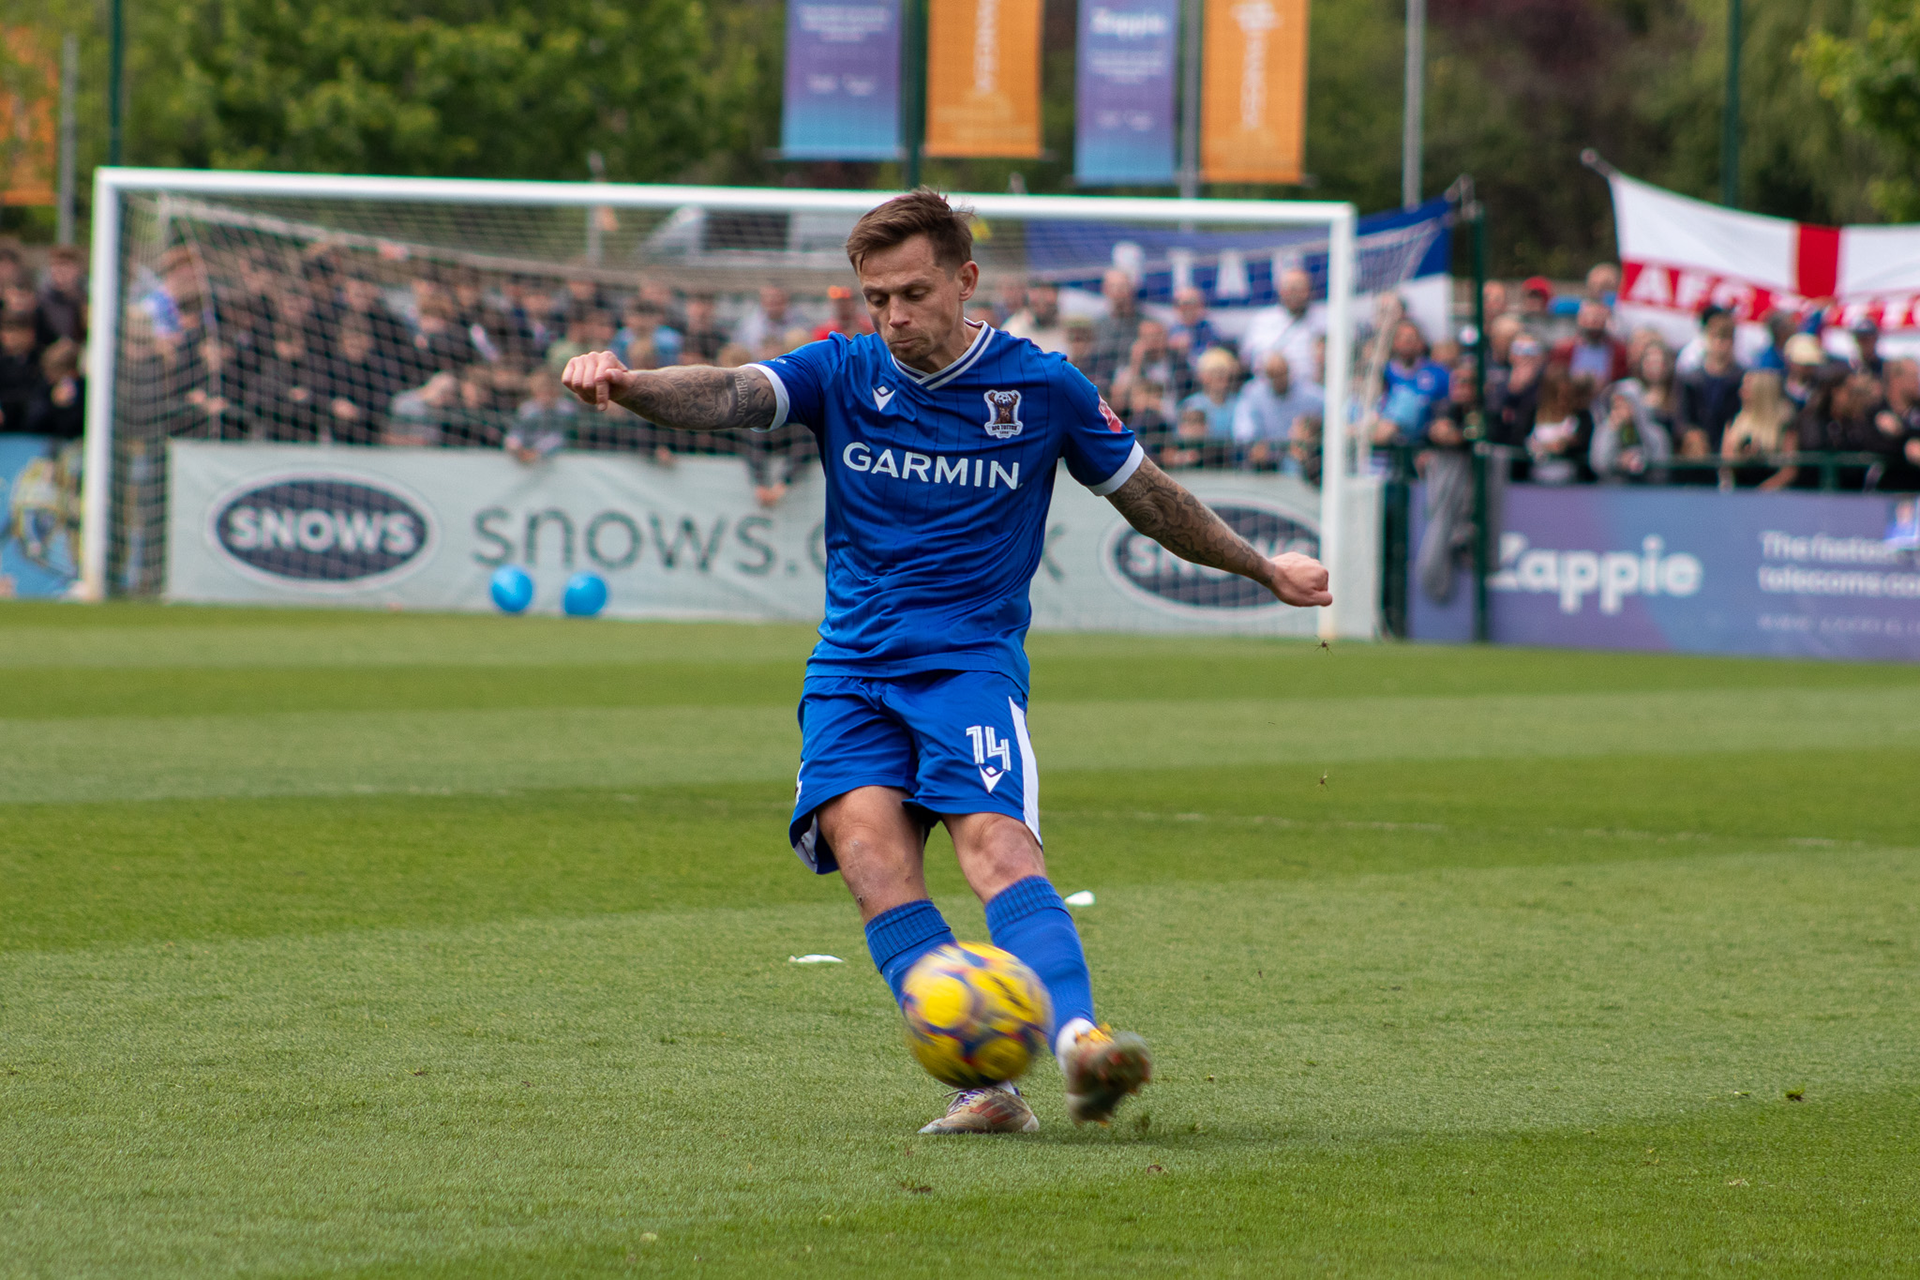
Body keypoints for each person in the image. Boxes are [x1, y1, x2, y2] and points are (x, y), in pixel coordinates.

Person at [559, 187, 1330, 1137]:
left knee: (996, 849)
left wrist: (1262, 566)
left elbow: (1151, 499)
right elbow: (734, 391)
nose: (892, 317)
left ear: (966, 281)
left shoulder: (1043, 388)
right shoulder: (843, 371)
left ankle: (1083, 1042)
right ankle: (986, 1089)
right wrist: (630, 384)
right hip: (849, 670)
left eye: (912, 294)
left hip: (967, 666)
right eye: (875, 298)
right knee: (870, 859)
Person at [1676, 307, 1744, 463]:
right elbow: (1682, 418)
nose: (1719, 344)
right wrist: (1691, 435)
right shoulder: (1690, 378)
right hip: (1698, 455)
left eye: (1725, 339)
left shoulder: (1741, 378)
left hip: (1732, 451)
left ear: (1732, 342)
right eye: (1715, 337)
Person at [1233, 352, 1323, 468]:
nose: (1278, 380)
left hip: (1302, 461)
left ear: (1289, 372)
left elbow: (1331, 414)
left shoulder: (1311, 395)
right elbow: (1243, 429)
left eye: (1281, 374)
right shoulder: (1253, 393)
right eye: (1273, 375)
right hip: (1266, 462)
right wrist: (1253, 444)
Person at [1239, 268, 1325, 389]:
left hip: (1312, 388)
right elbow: (1246, 361)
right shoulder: (1262, 320)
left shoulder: (1326, 320)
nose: (1295, 294)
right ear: (1281, 291)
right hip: (1268, 390)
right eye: (1290, 289)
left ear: (1310, 291)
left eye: (1300, 289)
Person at [1376, 319, 1449, 446]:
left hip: (1423, 440)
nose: (1406, 342)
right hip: (1386, 437)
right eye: (1401, 338)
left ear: (1421, 342)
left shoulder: (1438, 374)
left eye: (1410, 338)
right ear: (1393, 343)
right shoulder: (1383, 372)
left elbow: (1446, 409)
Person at [1718, 369, 1796, 489]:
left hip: (1774, 497)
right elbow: (1725, 467)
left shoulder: (1785, 424)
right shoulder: (1733, 423)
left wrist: (1762, 491)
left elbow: (1789, 471)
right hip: (1739, 493)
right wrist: (1741, 458)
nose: (1740, 392)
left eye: (1746, 389)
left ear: (1761, 392)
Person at [1524, 366, 1593, 484]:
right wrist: (1546, 446)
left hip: (1570, 483)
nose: (1562, 400)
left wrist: (1567, 445)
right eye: (1556, 394)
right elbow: (1520, 440)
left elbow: (1585, 444)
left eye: (1566, 395)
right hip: (1535, 482)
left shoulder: (1582, 416)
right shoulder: (1532, 413)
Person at [1087, 268, 1142, 394]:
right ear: (1105, 290)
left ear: (1131, 289)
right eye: (1113, 287)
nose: (1118, 292)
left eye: (1122, 287)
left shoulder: (1145, 324)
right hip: (1103, 388)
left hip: (1136, 386)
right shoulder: (1097, 326)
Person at [1552, 301, 1628, 385]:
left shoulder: (1619, 352)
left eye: (1598, 318)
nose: (1592, 322)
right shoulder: (1563, 350)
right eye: (1588, 317)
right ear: (1579, 319)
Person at [1178, 347, 1241, 444]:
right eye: (1215, 373)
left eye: (1224, 373)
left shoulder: (1238, 403)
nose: (1220, 378)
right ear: (1203, 376)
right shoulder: (1192, 405)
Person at [37, 246, 86, 343]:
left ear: (78, 269)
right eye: (54, 265)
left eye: (65, 265)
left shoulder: (86, 300)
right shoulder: (40, 301)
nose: (59, 270)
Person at [1002, 281, 1066, 354]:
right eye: (1037, 290)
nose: (1042, 297)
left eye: (1047, 291)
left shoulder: (1068, 328)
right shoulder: (1012, 331)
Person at [734, 284, 796, 356]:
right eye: (769, 299)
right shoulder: (747, 326)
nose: (773, 301)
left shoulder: (799, 325)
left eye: (777, 301)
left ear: (785, 301)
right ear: (762, 300)